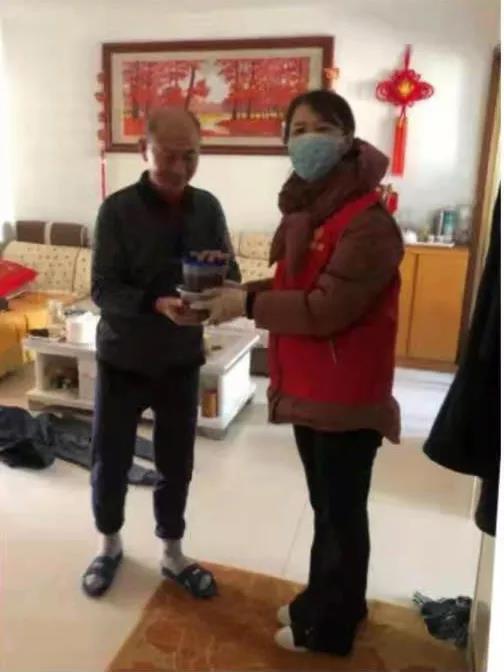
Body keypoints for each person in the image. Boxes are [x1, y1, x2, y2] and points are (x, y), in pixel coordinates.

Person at [191, 90, 404, 655]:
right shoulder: (312, 210)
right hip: (313, 385)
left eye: (321, 128)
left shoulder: (368, 223)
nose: (306, 140)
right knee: (329, 511)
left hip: (345, 394)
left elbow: (326, 307)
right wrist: (241, 291)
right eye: (297, 129)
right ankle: (331, 603)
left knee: (339, 514)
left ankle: (330, 631)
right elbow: (296, 286)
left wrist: (247, 304)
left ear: (348, 139)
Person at [82, 107, 240, 599]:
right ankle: (109, 545)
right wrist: (155, 303)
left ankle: (172, 553)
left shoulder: (208, 207)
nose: (179, 167)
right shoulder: (116, 210)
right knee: (110, 459)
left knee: (177, 462)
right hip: (122, 358)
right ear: (143, 151)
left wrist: (217, 292)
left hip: (180, 359)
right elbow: (102, 289)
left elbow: (230, 272)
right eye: (169, 155)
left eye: (190, 155)